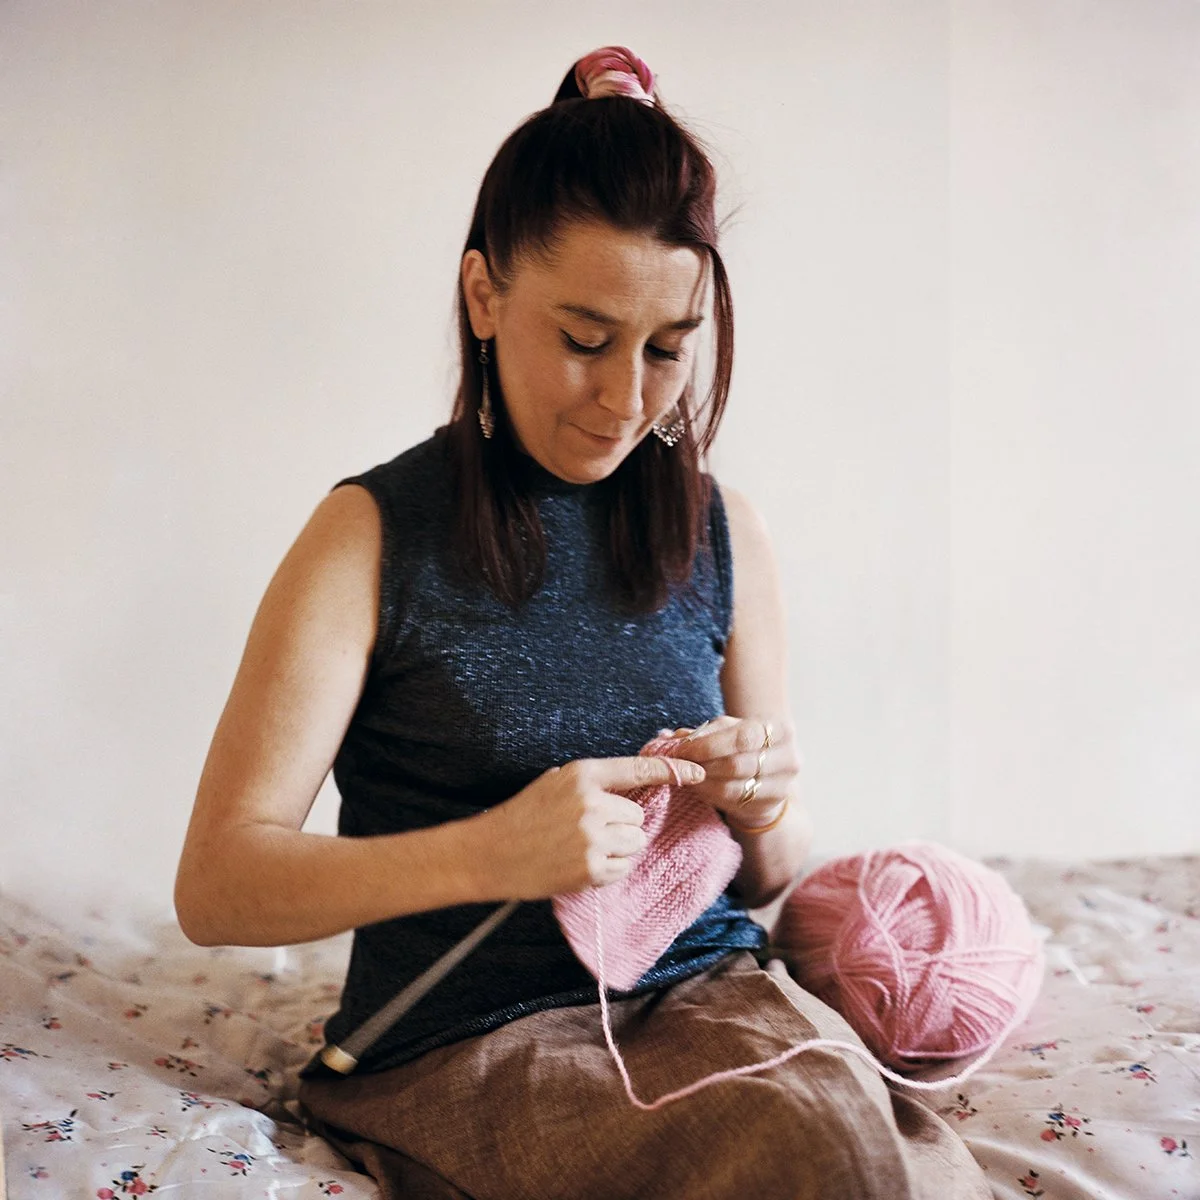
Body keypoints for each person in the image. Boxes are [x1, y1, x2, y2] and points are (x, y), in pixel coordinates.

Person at [175, 46, 991, 1200]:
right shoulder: (367, 536)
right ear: (483, 297)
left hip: (716, 998)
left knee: (900, 1167)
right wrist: (490, 852)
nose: (626, 398)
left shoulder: (723, 530)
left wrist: (758, 799)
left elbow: (767, 876)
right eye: (584, 339)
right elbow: (216, 885)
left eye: (668, 349)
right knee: (826, 1161)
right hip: (469, 1036)